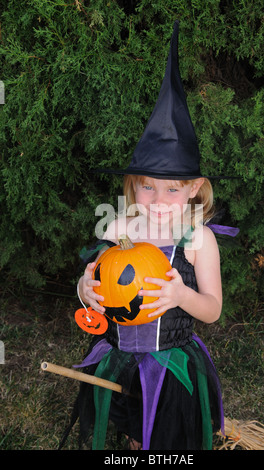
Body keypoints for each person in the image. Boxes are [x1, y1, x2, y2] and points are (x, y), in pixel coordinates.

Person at [62, 21, 238, 451]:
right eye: (146, 185)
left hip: (169, 364)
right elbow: (101, 287)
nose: (157, 199)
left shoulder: (198, 240)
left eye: (173, 188)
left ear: (195, 187)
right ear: (131, 185)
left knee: (163, 439)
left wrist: (182, 297)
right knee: (123, 423)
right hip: (118, 358)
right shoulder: (120, 229)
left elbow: (212, 310)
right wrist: (86, 290)